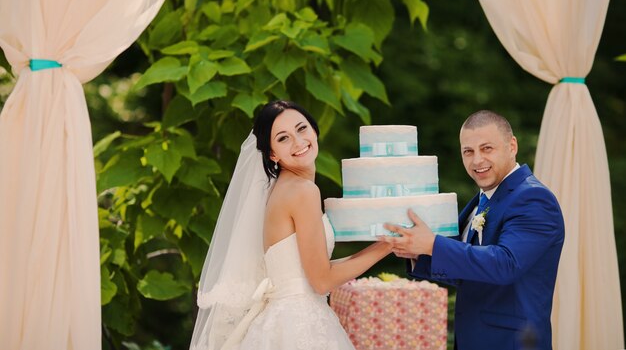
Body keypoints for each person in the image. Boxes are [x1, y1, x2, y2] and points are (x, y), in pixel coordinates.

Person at [190, 100, 392, 350]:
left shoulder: (280, 189)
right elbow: (321, 281)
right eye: (283, 138)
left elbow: (308, 272)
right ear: (272, 153)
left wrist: (382, 244)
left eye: (302, 129)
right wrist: (387, 247)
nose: (298, 142)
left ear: (314, 130)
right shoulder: (302, 191)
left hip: (281, 319)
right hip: (300, 324)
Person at [382, 110, 565, 350]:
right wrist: (418, 253)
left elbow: (505, 264)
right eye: (468, 151)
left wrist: (432, 244)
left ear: (512, 146)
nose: (477, 160)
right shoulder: (485, 197)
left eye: (487, 148)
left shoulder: (534, 198)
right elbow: (471, 269)